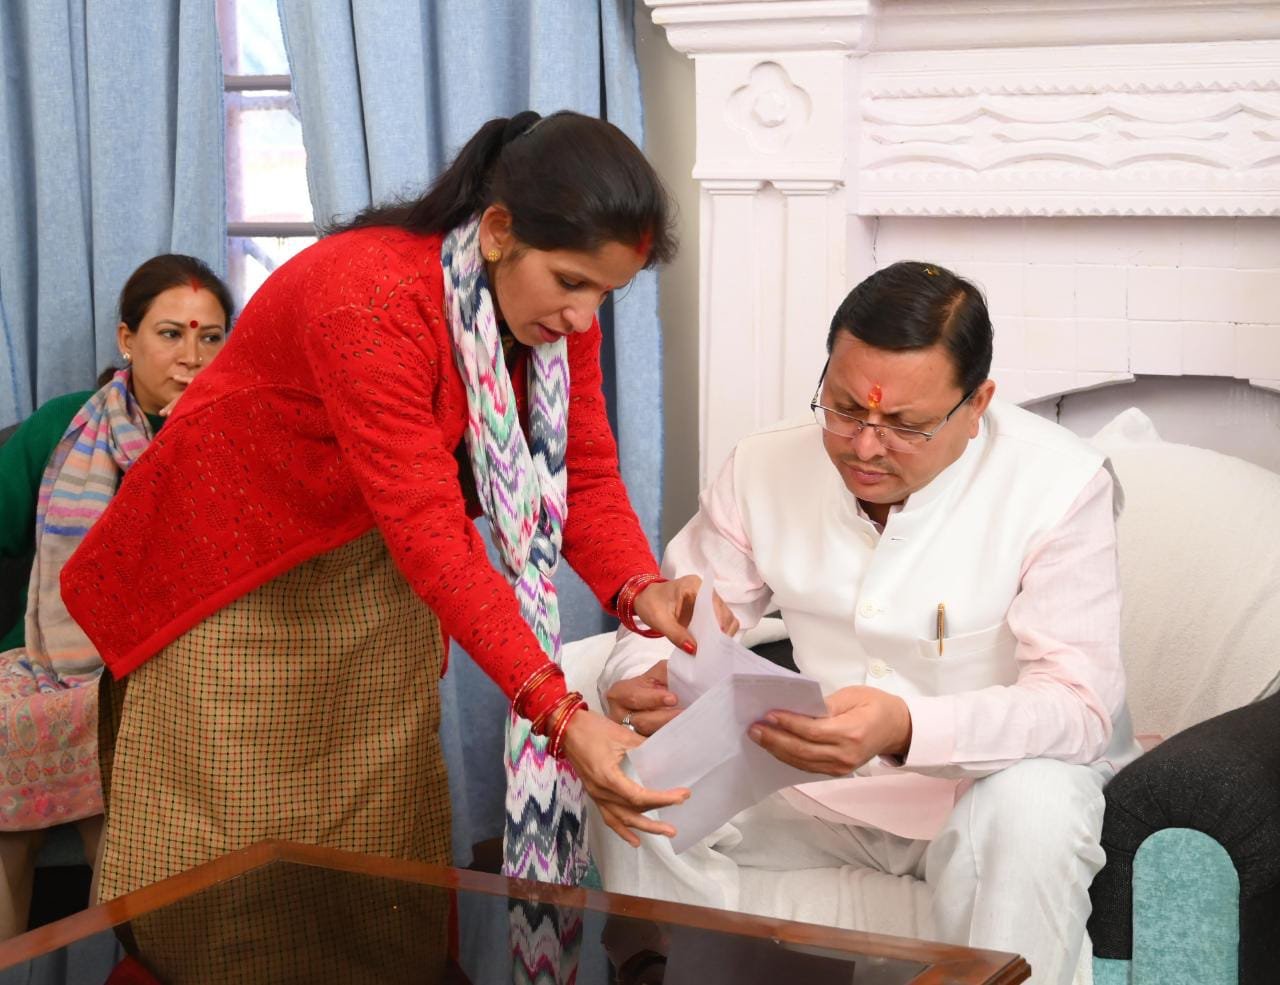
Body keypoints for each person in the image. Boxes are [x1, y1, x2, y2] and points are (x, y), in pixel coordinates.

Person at [62, 110, 729, 903]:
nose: (584, 317)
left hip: (371, 560)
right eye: (571, 282)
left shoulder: (554, 321)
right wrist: (559, 713)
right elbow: (433, 533)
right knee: (221, 872)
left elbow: (579, 470)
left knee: (378, 854)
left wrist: (641, 588)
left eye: (605, 293)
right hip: (227, 576)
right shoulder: (371, 299)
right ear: (498, 232)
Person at [592, 261, 1143, 985]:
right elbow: (666, 619)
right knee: (631, 772)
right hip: (816, 785)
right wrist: (650, 678)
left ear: (977, 404)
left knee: (1034, 804)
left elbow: (1080, 705)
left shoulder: (1058, 485)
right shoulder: (764, 464)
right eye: (846, 409)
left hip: (985, 787)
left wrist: (906, 726)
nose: (865, 446)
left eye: (905, 425)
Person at [0, 254, 232, 937]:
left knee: (122, 811)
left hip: (169, 667)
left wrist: (189, 440)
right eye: (171, 334)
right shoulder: (64, 425)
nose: (192, 356)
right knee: (8, 816)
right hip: (45, 658)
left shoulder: (234, 437)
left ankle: (135, 966)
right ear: (127, 339)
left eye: (211, 337)